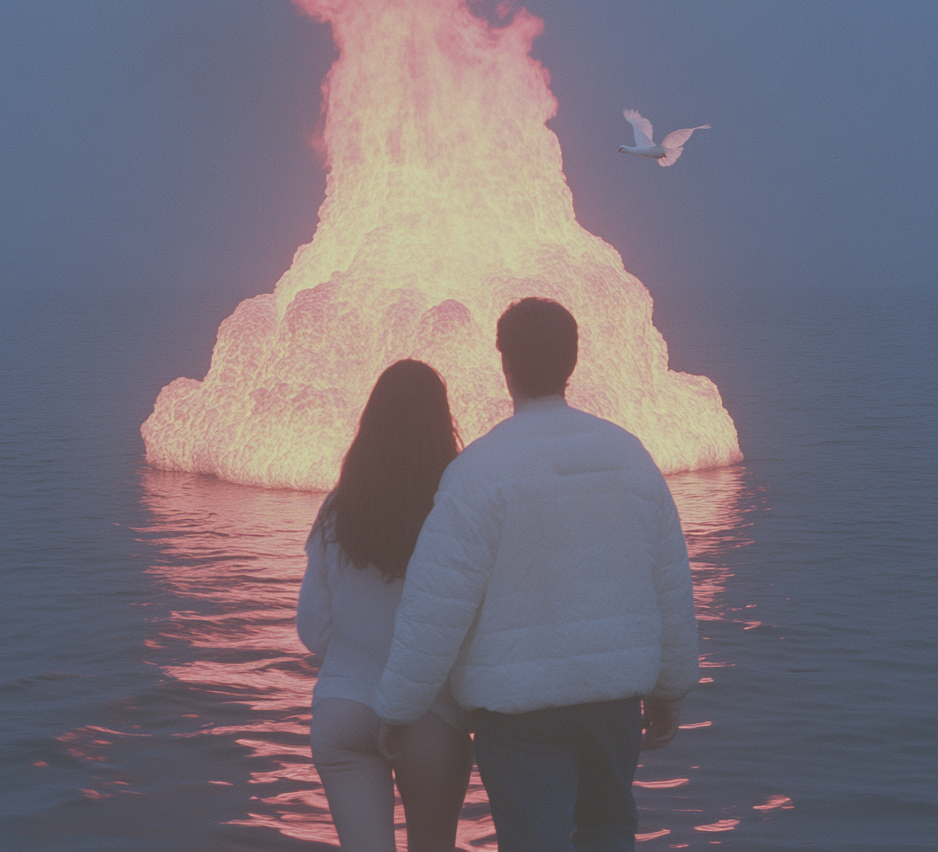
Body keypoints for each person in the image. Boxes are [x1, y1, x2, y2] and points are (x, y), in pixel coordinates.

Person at [372, 298, 699, 852]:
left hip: (517, 712)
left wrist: (397, 710)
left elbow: (436, 608)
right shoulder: (631, 457)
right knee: (609, 832)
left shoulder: (476, 472)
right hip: (614, 698)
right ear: (573, 359)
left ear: (505, 364)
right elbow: (671, 583)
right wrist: (671, 689)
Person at [296, 359, 473, 852]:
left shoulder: (339, 508)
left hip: (343, 709)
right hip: (430, 717)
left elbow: (312, 628)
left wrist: (358, 653)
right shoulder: (455, 507)